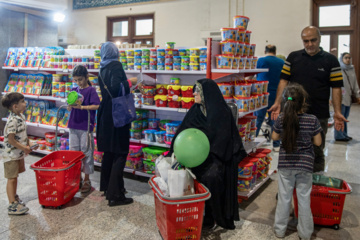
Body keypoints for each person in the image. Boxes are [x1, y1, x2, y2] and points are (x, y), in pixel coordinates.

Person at [169, 79, 247, 230]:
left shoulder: (221, 112)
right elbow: (183, 132)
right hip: (194, 157)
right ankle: (186, 214)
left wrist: (207, 153)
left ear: (206, 94)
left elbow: (224, 141)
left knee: (211, 177)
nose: (194, 93)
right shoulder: (195, 110)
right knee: (179, 173)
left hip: (216, 156)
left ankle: (212, 216)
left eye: (197, 91)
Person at [269, 26, 347, 173]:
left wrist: (337, 112)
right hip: (292, 112)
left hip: (319, 113)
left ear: (319, 39)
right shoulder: (293, 57)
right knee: (289, 147)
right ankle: (289, 184)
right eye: (306, 41)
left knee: (317, 149)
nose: (309, 44)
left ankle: (314, 185)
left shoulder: (331, 61)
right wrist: (277, 103)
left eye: (313, 40)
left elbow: (336, 87)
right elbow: (283, 81)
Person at [272, 83, 322, 240]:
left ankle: (280, 231)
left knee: (284, 198)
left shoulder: (282, 119)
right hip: (305, 165)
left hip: (286, 164)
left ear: (286, 102)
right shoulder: (312, 120)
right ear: (304, 100)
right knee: (304, 199)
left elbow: (274, 137)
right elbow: (318, 142)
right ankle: (305, 234)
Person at [97, 42, 136, 206]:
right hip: (116, 114)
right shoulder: (115, 65)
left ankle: (108, 187)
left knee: (109, 152)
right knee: (120, 152)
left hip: (105, 112)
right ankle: (115, 196)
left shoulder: (102, 67)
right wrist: (130, 82)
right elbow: (115, 89)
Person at [1, 92, 38, 215]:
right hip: (11, 155)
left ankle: (15, 198)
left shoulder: (20, 117)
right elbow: (11, 139)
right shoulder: (12, 121)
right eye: (22, 101)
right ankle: (12, 205)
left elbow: (22, 134)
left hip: (18, 154)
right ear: (15, 106)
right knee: (11, 178)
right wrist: (25, 148)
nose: (25, 103)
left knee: (15, 176)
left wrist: (29, 142)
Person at [67, 65, 100, 193]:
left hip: (86, 127)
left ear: (87, 77)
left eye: (80, 79)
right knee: (74, 153)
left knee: (87, 153)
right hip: (73, 125)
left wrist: (82, 108)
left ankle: (87, 179)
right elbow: (70, 104)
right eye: (75, 80)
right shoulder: (74, 90)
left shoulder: (91, 90)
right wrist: (70, 106)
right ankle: (77, 177)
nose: (78, 82)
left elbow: (97, 105)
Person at [254, 45, 284, 151]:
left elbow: (250, 76)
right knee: (275, 119)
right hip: (276, 94)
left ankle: (251, 142)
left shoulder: (260, 60)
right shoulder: (281, 62)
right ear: (275, 52)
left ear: (264, 51)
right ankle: (276, 145)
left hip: (261, 94)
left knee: (258, 119)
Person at [334, 52, 360, 141]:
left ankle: (344, 134)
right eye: (346, 58)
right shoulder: (338, 69)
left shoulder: (351, 69)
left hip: (348, 96)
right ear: (342, 59)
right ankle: (339, 136)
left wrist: (358, 95)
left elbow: (355, 83)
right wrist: (331, 98)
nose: (348, 59)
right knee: (340, 116)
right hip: (340, 97)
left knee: (345, 116)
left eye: (349, 57)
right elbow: (333, 85)